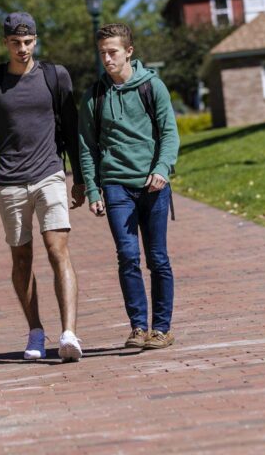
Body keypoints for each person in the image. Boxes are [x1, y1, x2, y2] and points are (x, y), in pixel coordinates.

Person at [0, 12, 86, 363]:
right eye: (16, 43)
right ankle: (35, 330)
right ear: (5, 43)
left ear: (36, 40)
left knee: (57, 249)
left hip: (49, 172)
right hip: (9, 180)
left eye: (28, 42)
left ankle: (69, 333)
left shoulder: (54, 76)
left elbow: (71, 126)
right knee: (21, 257)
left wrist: (78, 177)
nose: (22, 48)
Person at [78, 22, 180, 350]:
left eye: (113, 52)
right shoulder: (94, 96)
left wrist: (162, 168)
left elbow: (169, 133)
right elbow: (86, 147)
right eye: (102, 53)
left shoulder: (153, 87)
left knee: (158, 258)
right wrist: (93, 189)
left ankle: (161, 329)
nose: (107, 59)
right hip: (116, 184)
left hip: (153, 185)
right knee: (127, 255)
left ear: (129, 52)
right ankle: (138, 327)